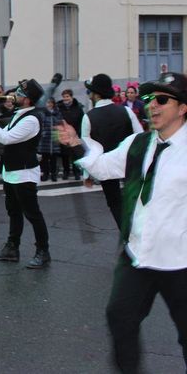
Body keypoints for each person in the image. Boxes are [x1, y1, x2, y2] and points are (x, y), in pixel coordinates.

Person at [57, 72, 187, 372]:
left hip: (180, 261)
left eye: (162, 100)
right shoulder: (138, 143)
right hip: (137, 256)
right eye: (149, 99)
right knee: (120, 319)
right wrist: (76, 145)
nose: (152, 106)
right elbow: (103, 168)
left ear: (182, 108)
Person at [0, 78, 51, 269]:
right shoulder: (20, 114)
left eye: (20, 93)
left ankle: (43, 251)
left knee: (32, 214)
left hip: (24, 173)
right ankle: (12, 247)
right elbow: (2, 134)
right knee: (14, 212)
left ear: (28, 100)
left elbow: (8, 138)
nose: (15, 95)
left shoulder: (31, 119)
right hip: (11, 171)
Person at [82, 73, 144, 228]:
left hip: (106, 166)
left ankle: (127, 236)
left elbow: (89, 148)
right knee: (136, 200)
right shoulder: (126, 111)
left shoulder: (88, 117)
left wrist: (87, 174)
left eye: (90, 92)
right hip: (129, 162)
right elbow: (140, 136)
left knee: (115, 203)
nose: (89, 95)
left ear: (96, 94)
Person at [56, 89, 85, 181]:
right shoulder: (59, 108)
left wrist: (79, 133)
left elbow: (82, 121)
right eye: (64, 97)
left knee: (75, 154)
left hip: (74, 134)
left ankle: (76, 171)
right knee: (64, 155)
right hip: (63, 135)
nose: (66, 98)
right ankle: (66, 171)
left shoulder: (78, 107)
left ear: (71, 97)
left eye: (67, 96)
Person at [38, 98, 62, 182]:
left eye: (51, 103)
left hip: (54, 136)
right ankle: (45, 173)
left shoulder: (57, 113)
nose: (49, 104)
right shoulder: (42, 113)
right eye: (48, 103)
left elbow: (60, 124)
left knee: (54, 159)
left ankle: (54, 174)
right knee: (44, 158)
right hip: (45, 138)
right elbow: (40, 124)